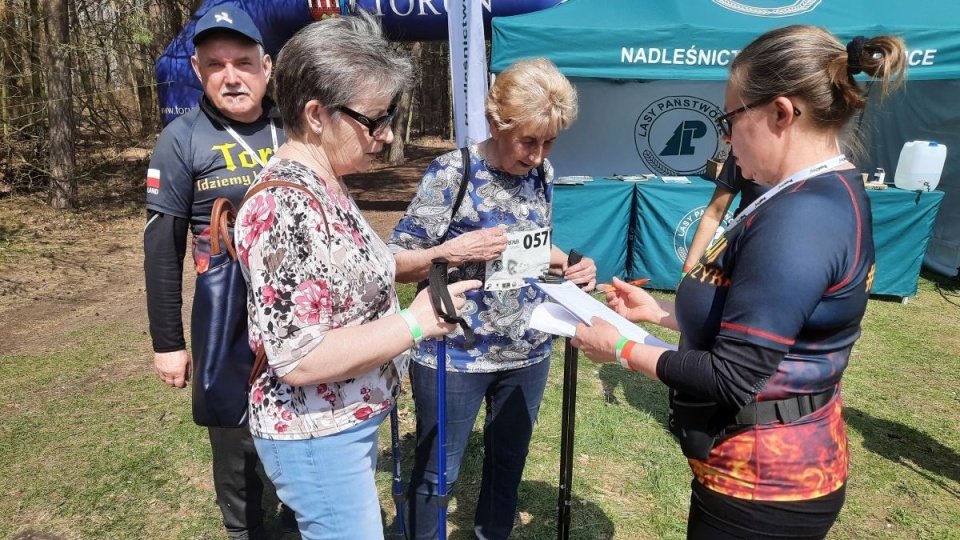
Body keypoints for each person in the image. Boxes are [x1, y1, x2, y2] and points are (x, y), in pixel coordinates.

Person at [572, 26, 905, 539]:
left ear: (780, 113)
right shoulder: (807, 194)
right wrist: (661, 314)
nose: (724, 139)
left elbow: (734, 376)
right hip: (757, 473)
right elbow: (771, 320)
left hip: (764, 488)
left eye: (730, 121)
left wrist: (618, 348)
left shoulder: (803, 216)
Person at [232, 13, 480, 540]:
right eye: (376, 120)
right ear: (317, 114)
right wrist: (415, 324)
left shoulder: (327, 182)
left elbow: (362, 268)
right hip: (317, 436)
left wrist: (444, 252)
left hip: (345, 422)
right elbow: (300, 357)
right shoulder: (285, 206)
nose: (387, 136)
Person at [389, 57, 597, 540]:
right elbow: (397, 260)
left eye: (549, 142)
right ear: (494, 122)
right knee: (438, 475)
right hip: (454, 356)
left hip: (527, 351)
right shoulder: (451, 172)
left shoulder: (542, 173)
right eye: (528, 140)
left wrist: (570, 263)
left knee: (508, 467)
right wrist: (452, 250)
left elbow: (533, 243)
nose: (538, 154)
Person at [143, 6, 290, 538]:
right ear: (198, 69)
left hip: (302, 316)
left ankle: (299, 525)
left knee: (304, 440)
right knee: (236, 449)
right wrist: (168, 342)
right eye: (216, 65)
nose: (232, 77)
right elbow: (162, 249)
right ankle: (244, 530)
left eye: (244, 62)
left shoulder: (296, 125)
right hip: (225, 321)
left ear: (267, 65)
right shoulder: (181, 140)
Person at [681, 152, 769, 279]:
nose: (725, 139)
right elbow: (714, 213)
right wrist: (687, 270)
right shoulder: (743, 149)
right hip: (741, 259)